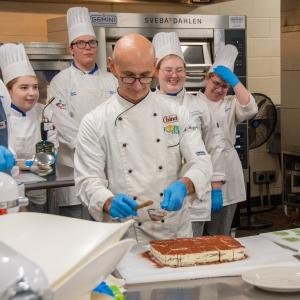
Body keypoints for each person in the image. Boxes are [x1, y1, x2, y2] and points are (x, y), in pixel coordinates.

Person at [74, 33, 213, 244]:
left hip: (174, 230)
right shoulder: (95, 121)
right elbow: (87, 180)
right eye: (128, 76)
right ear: (112, 67)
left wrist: (184, 185)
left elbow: (201, 162)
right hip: (125, 234)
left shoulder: (176, 113)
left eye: (146, 76)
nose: (138, 85)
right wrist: (107, 201)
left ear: (155, 68)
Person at [152, 32, 225, 236]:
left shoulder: (200, 105)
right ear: (156, 71)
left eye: (179, 70)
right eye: (167, 70)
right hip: (161, 194)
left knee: (193, 252)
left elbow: (214, 145)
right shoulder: (147, 106)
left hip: (196, 193)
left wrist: (216, 184)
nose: (174, 75)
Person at [49, 7, 117, 219]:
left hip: (110, 166)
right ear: (71, 49)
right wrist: (92, 151)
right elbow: (63, 125)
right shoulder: (60, 81)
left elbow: (119, 120)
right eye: (81, 43)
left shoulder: (112, 80)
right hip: (74, 169)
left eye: (92, 42)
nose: (87, 47)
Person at [199, 44, 258, 235]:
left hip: (227, 170)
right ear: (206, 79)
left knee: (221, 233)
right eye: (216, 83)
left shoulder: (231, 103)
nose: (219, 89)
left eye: (225, 86)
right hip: (201, 170)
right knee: (196, 234)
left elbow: (251, 109)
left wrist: (234, 81)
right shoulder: (192, 102)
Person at [0, 43, 57, 212]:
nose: (32, 93)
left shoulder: (45, 112)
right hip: (10, 192)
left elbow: (50, 157)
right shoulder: (4, 118)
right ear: (9, 91)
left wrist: (26, 163)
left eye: (34, 87)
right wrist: (33, 162)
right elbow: (9, 162)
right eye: (24, 88)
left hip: (41, 191)